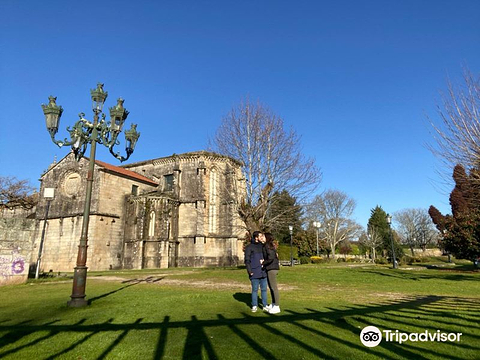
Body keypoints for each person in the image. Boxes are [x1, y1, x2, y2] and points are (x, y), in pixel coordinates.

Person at [244, 231, 268, 312]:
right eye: (260, 236)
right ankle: (254, 305)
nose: (262, 237)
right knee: (255, 290)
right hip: (254, 272)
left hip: (263, 272)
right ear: (256, 237)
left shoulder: (263, 246)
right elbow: (247, 260)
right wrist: (249, 271)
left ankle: (265, 305)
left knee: (264, 289)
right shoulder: (249, 247)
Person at [263, 232, 280, 314]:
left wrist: (263, 262)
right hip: (271, 267)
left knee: (274, 287)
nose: (262, 237)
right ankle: (273, 304)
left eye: (263, 236)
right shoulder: (269, 245)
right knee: (271, 287)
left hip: (272, 268)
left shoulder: (268, 246)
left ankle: (277, 306)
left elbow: (271, 258)